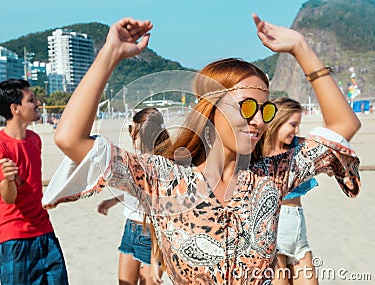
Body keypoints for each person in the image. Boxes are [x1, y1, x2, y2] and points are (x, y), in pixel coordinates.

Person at [42, 15, 361, 284]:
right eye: (247, 106)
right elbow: (70, 139)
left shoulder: (273, 175)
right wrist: (109, 53)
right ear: (211, 108)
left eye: (264, 111)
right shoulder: (162, 179)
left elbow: (343, 127)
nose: (257, 120)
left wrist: (300, 48)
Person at [0, 79, 68, 284]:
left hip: (44, 231)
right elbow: (9, 198)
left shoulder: (34, 140)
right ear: (15, 109)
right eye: (31, 100)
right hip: (14, 238)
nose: (37, 103)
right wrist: (8, 179)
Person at [97, 107, 168, 285]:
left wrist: (156, 259)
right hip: (130, 230)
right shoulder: (137, 158)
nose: (131, 136)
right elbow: (135, 190)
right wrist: (113, 200)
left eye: (133, 131)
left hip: (151, 236)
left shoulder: (162, 166)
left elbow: (162, 216)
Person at [262, 97, 319, 284]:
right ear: (277, 121)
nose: (297, 131)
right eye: (293, 124)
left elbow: (329, 145)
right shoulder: (257, 151)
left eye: (298, 125)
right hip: (273, 234)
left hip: (299, 230)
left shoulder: (299, 146)